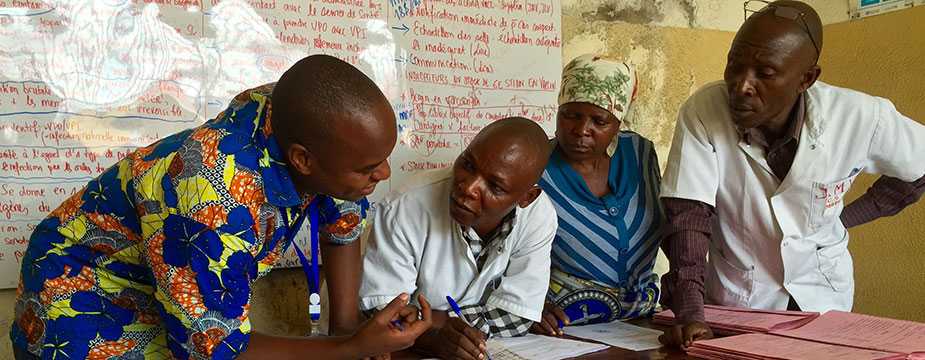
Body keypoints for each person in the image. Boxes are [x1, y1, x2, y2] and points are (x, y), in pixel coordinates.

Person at [10, 55, 432, 360]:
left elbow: (342, 222)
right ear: (303, 159)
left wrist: (346, 329)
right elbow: (213, 350)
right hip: (80, 291)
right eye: (368, 167)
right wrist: (349, 348)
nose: (384, 173)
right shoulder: (212, 199)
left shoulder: (312, 126)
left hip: (163, 283)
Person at [658, 0, 925, 349]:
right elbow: (689, 216)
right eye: (734, 66)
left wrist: (844, 218)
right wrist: (691, 313)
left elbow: (919, 168)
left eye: (764, 74)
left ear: (807, 79)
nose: (741, 86)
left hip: (823, 298)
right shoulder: (704, 111)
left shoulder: (860, 117)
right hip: (741, 301)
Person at [359, 117, 556, 360]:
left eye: (494, 186)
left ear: (527, 197)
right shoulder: (405, 205)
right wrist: (432, 335)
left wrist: (437, 321)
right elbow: (382, 314)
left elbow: (518, 316)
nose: (468, 187)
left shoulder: (539, 215)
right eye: (468, 165)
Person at [530, 54, 663, 336]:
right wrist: (526, 303)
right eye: (570, 115)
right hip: (561, 328)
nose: (581, 130)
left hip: (642, 323)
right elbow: (502, 250)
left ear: (618, 122)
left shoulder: (640, 154)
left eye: (599, 121)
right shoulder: (535, 166)